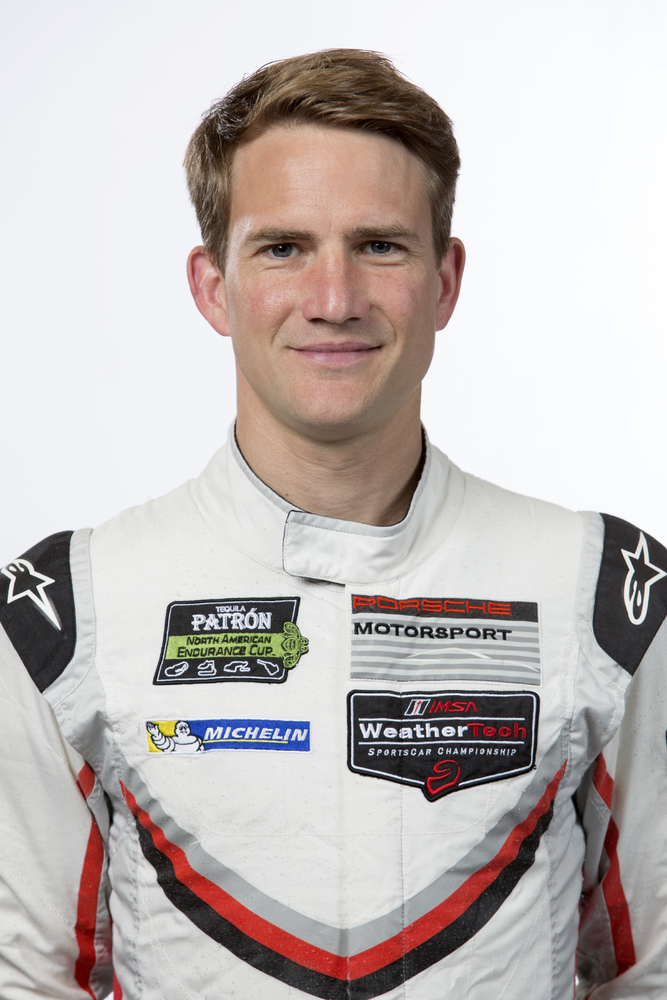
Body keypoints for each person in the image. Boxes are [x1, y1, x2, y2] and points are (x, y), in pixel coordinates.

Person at [0, 48, 665, 1000]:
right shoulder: (67, 616)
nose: (334, 300)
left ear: (446, 280)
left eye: (380, 246)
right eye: (282, 248)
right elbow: (23, 979)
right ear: (212, 287)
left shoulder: (605, 597)